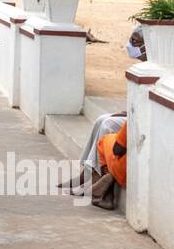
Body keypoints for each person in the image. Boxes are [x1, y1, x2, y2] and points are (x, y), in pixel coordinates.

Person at [58, 29, 146, 201]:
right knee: (102, 119)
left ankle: (96, 180)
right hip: (135, 117)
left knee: (108, 124)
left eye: (135, 42)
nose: (130, 45)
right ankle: (86, 174)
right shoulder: (142, 67)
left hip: (142, 122)